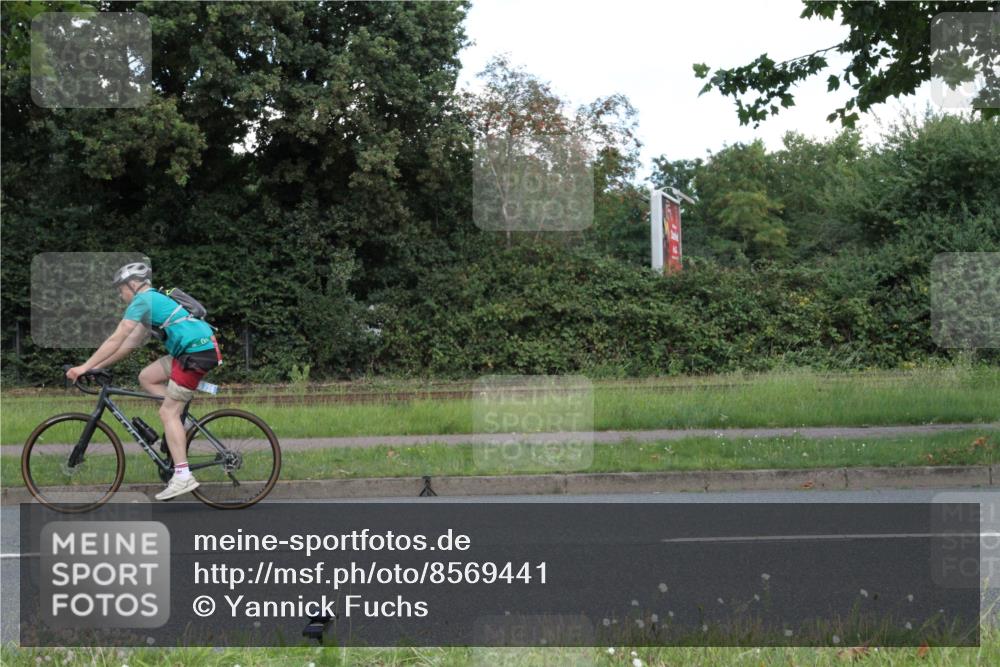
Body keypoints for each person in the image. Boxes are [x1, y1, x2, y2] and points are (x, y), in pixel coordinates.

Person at [65, 262, 222, 500]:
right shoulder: (152, 303)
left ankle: (182, 476)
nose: (121, 295)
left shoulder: (143, 300)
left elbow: (116, 338)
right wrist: (96, 367)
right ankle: (182, 425)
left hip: (195, 353)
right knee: (147, 377)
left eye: (121, 289)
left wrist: (84, 367)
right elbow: (126, 346)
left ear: (133, 285)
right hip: (192, 351)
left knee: (167, 413)